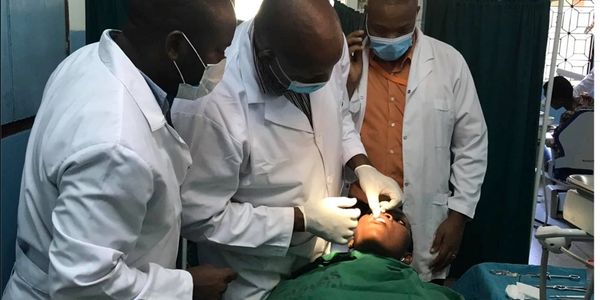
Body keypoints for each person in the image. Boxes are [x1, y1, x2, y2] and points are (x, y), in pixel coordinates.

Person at [2, 0, 237, 299]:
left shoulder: (88, 58)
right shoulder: (115, 145)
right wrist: (187, 286)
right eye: (219, 50)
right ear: (175, 46)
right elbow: (82, 283)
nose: (223, 61)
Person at [171, 0, 404, 298]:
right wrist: (301, 219)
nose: (323, 85)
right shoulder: (212, 103)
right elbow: (201, 218)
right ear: (269, 57)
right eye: (310, 80)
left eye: (329, 75)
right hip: (257, 273)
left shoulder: (326, 52)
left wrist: (361, 166)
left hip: (322, 262)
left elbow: (339, 114)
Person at [344, 0, 488, 283]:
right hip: (355, 207)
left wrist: (458, 216)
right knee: (348, 284)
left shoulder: (449, 63)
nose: (390, 38)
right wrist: (344, 81)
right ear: (366, 13)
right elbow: (327, 128)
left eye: (401, 30)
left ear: (417, 14)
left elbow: (472, 144)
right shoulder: (343, 60)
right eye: (381, 30)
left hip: (422, 212)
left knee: (419, 289)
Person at [267, 211, 464, 300]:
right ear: (350, 241)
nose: (385, 215)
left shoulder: (433, 295)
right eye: (374, 212)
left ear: (406, 257)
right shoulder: (308, 279)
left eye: (399, 222)